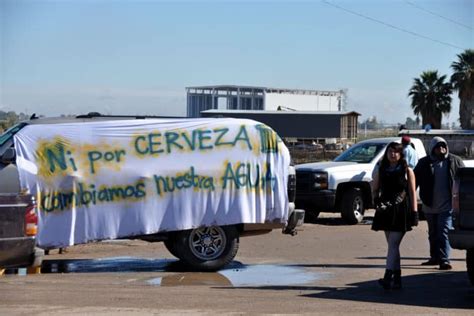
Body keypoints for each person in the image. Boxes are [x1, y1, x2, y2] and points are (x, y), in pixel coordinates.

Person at [372, 142, 418, 289]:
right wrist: (376, 202)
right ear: (386, 153)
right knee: (393, 246)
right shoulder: (381, 169)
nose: (393, 154)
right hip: (385, 211)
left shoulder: (407, 170)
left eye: (396, 152)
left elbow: (412, 192)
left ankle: (387, 276)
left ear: (400, 154)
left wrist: (415, 213)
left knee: (393, 244)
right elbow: (375, 188)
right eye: (390, 151)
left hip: (401, 211)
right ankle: (397, 279)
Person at [414, 137, 465, 270]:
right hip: (429, 205)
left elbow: (464, 179)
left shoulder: (455, 161)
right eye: (438, 147)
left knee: (443, 232)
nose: (441, 149)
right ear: (432, 148)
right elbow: (414, 180)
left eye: (443, 146)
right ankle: (434, 257)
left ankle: (444, 260)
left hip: (447, 205)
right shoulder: (424, 163)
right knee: (432, 233)